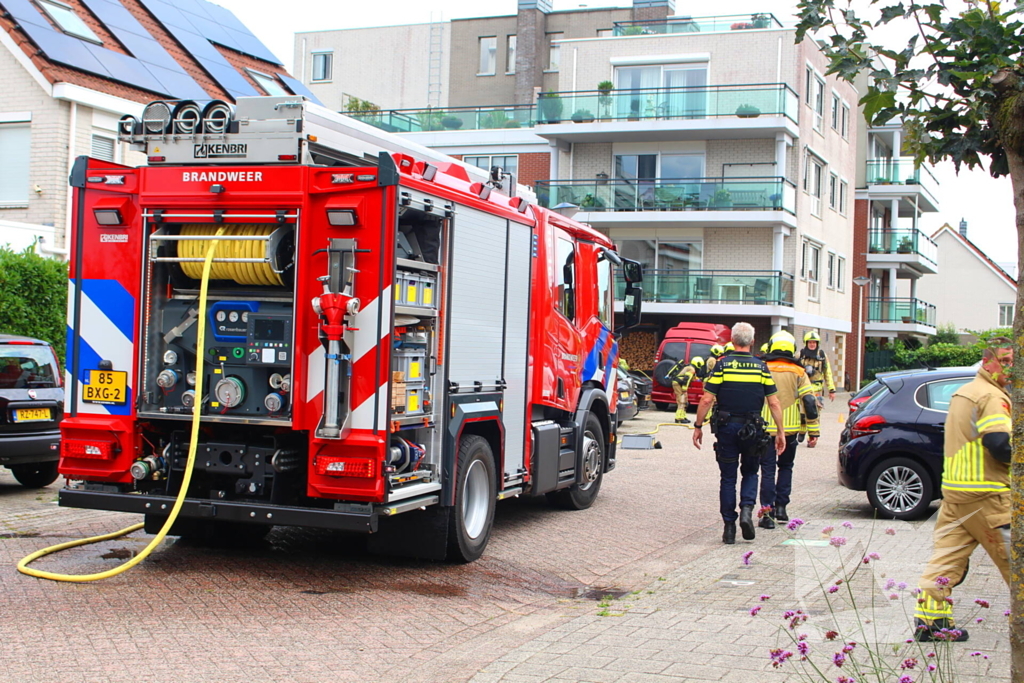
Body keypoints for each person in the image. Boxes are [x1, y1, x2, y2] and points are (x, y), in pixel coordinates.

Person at [913, 339, 1013, 643]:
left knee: (946, 558)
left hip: (956, 492)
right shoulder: (992, 396)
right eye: (1006, 362)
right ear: (988, 362)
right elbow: (999, 444)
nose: (1011, 369)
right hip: (988, 494)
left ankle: (931, 622)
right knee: (1016, 560)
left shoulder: (964, 391)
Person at [693, 322, 786, 544]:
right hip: (753, 428)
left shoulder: (722, 365)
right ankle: (746, 510)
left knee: (727, 477)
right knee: (751, 472)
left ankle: (729, 528)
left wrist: (698, 426)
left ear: (732, 341)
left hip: (727, 428)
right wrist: (780, 432)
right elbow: (774, 403)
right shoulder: (762, 367)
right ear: (752, 341)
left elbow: (707, 399)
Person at [757, 331, 818, 528]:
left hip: (765, 428)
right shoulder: (799, 372)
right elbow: (809, 401)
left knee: (767, 470)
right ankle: (782, 509)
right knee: (786, 467)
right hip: (790, 430)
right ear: (792, 349)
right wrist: (813, 431)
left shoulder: (763, 368)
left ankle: (767, 514)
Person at [798, 331, 835, 446]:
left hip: (817, 390)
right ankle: (802, 431)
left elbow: (827, 372)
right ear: (806, 343)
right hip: (803, 388)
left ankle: (812, 437)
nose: (812, 344)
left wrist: (831, 389)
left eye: (814, 342)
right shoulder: (800, 355)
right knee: (802, 413)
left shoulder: (822, 356)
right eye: (810, 342)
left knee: (815, 413)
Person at [666, 355, 705, 424]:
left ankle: (683, 416)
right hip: (679, 384)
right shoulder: (691, 369)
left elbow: (692, 378)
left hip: (679, 383)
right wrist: (684, 388)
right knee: (681, 400)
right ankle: (679, 418)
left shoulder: (690, 368)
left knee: (685, 401)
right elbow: (687, 379)